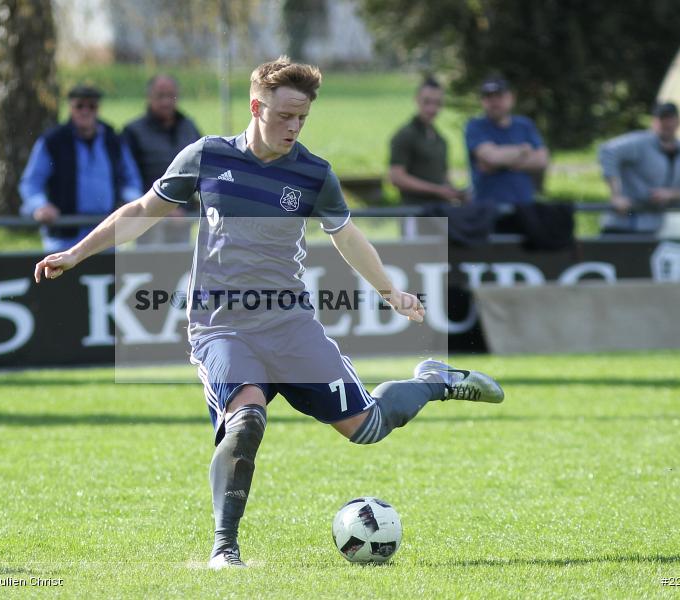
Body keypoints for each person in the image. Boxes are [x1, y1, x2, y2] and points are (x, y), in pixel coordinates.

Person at [32, 57, 505, 570]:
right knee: (246, 420)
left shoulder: (314, 173)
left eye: (302, 118)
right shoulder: (207, 156)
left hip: (289, 324)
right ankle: (224, 547)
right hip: (221, 326)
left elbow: (346, 236)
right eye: (285, 116)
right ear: (257, 107)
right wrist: (75, 253)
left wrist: (391, 291)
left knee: (367, 428)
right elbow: (143, 211)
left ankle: (434, 381)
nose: (294, 127)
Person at [19, 85, 143, 252]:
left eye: (91, 106)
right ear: (71, 108)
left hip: (106, 231)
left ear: (98, 109)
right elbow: (31, 182)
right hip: (64, 233)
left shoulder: (113, 140)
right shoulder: (53, 141)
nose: (85, 111)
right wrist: (40, 206)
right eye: (80, 106)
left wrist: (129, 202)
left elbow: (131, 179)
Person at [123, 75, 202, 245]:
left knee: (181, 268)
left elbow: (202, 167)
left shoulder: (189, 127)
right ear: (149, 96)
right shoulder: (133, 132)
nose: (166, 101)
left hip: (183, 221)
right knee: (151, 266)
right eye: (160, 96)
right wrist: (162, 208)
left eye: (171, 95)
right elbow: (127, 179)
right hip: (148, 220)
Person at [598, 101, 680, 234]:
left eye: (670, 119)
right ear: (654, 121)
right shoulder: (639, 142)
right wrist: (616, 195)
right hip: (623, 224)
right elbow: (607, 151)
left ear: (678, 121)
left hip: (653, 227)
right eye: (661, 119)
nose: (666, 123)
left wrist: (671, 194)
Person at [464, 77, 549, 211]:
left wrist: (499, 163)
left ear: (511, 98)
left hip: (523, 209)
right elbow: (491, 158)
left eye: (499, 96)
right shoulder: (475, 126)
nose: (494, 101)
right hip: (486, 210)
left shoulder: (525, 125)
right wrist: (523, 150)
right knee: (429, 227)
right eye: (489, 97)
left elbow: (542, 160)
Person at [389, 77, 464, 207]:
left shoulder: (440, 139)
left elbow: (443, 177)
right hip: (415, 211)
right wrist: (437, 190)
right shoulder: (405, 135)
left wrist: (453, 191)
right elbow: (396, 177)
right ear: (417, 100)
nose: (432, 109)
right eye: (427, 102)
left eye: (437, 103)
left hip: (439, 211)